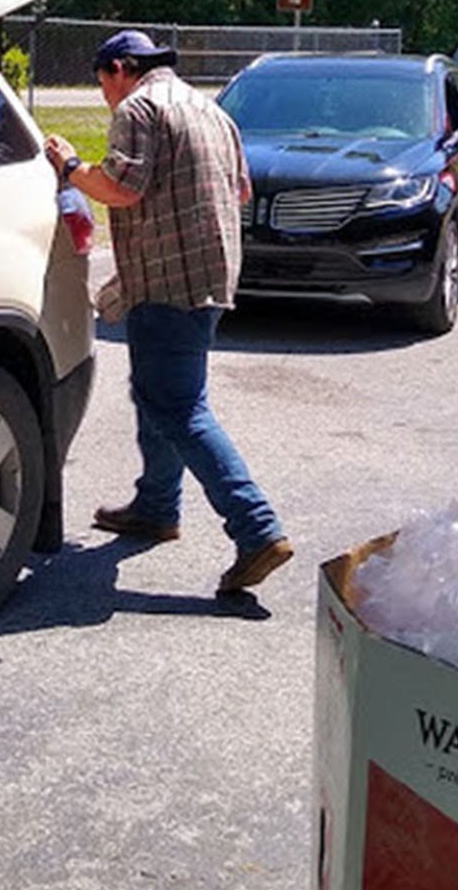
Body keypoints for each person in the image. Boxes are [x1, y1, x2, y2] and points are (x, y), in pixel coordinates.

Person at [44, 29, 292, 596]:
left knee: (178, 407)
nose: (104, 95)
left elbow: (121, 188)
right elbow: (242, 192)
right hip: (212, 275)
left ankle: (257, 529)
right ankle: (157, 505)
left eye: (102, 81)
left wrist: (71, 165)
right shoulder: (209, 110)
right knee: (157, 392)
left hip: (167, 281)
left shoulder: (140, 106)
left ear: (121, 68)